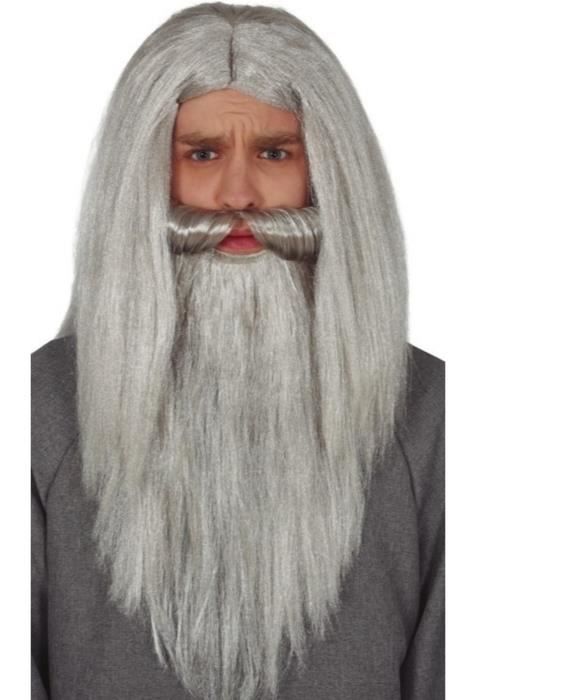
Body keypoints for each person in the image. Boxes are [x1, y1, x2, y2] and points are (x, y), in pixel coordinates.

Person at [31, 3, 445, 699]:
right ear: (142, 177)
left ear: (330, 174)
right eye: (202, 154)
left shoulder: (429, 412)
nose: (239, 195)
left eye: (275, 153)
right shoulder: (41, 407)